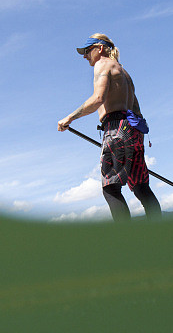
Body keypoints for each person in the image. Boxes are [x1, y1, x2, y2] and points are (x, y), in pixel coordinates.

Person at [58, 34, 162, 221]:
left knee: (111, 187)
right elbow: (136, 110)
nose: (85, 56)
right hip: (134, 129)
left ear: (100, 48)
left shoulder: (102, 65)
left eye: (87, 50)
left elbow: (98, 98)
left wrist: (69, 117)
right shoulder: (124, 72)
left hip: (116, 128)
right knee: (141, 187)